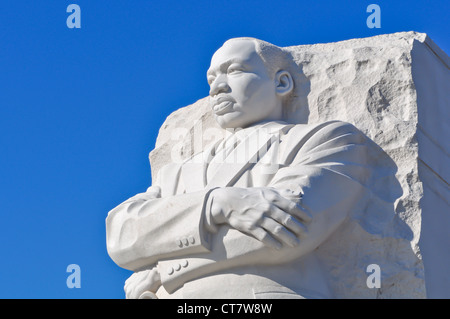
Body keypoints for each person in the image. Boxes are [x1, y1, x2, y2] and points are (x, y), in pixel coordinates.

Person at [106, 37, 399, 298]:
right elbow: (121, 235)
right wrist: (217, 204)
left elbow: (290, 228)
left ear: (281, 83)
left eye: (234, 71)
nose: (217, 87)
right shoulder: (177, 173)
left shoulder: (324, 139)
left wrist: (163, 268)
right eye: (211, 80)